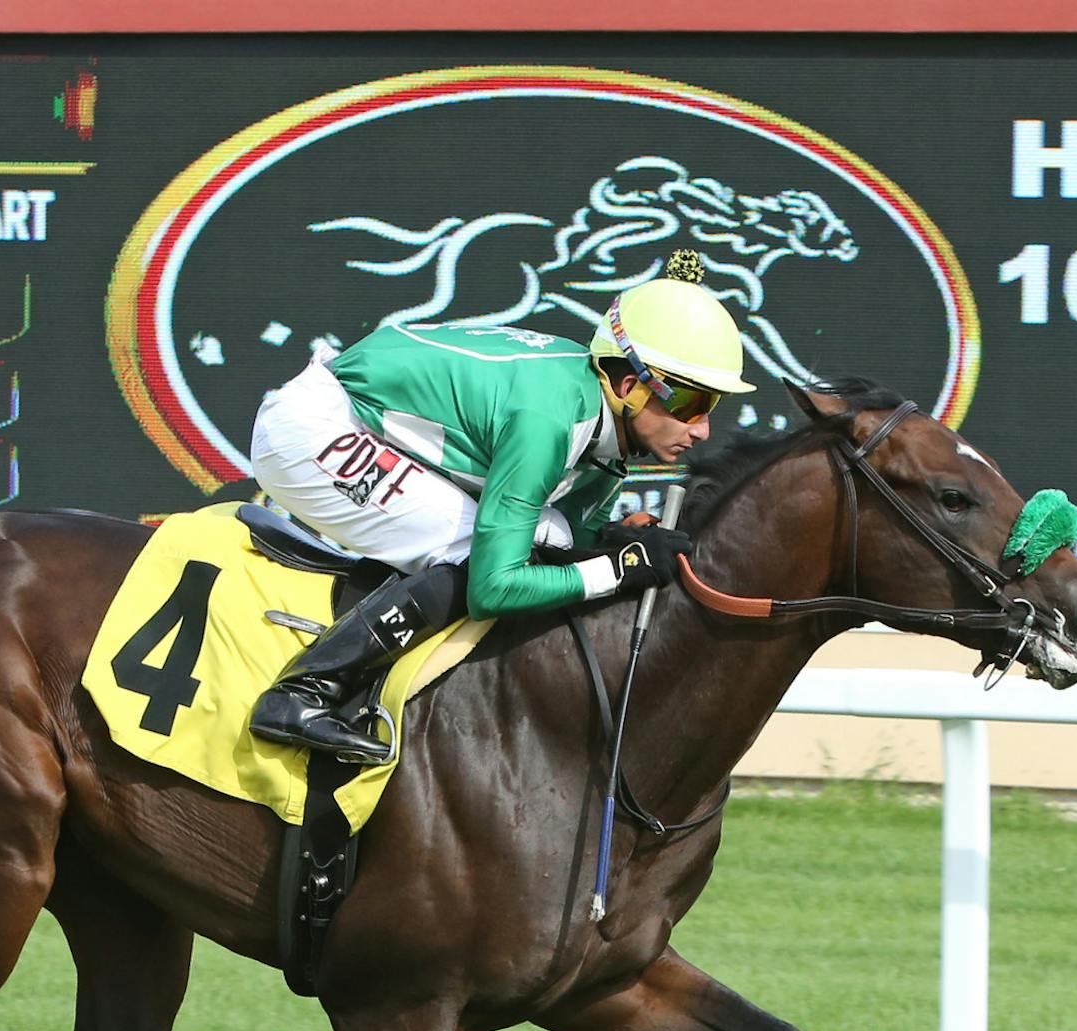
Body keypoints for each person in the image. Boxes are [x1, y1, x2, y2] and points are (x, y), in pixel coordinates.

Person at [246, 250, 756, 764]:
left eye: (712, 407)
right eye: (690, 403)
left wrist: (616, 539)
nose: (703, 429)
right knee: (476, 553)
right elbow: (494, 587)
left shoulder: (596, 418)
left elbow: (576, 538)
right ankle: (305, 691)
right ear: (628, 386)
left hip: (358, 413)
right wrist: (619, 570)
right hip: (310, 429)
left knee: (552, 537)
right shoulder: (548, 421)